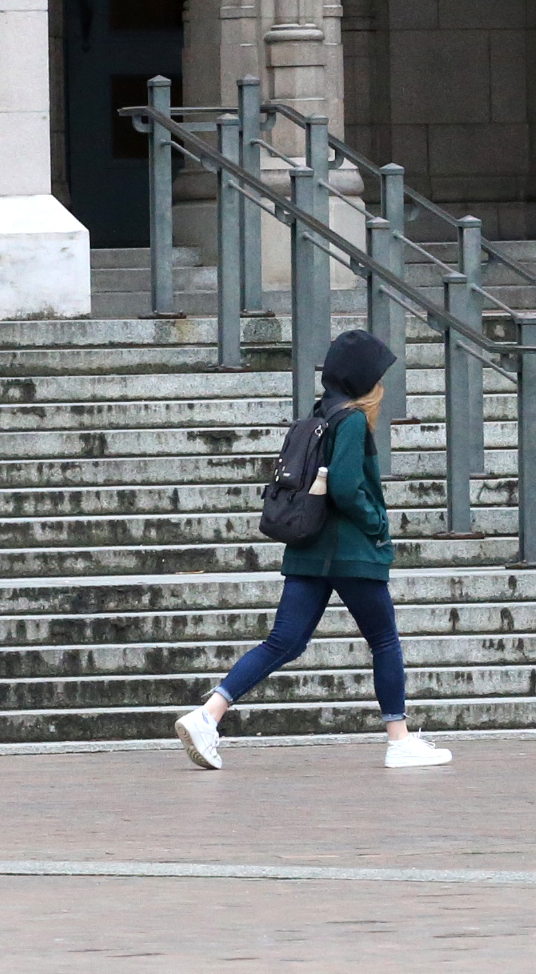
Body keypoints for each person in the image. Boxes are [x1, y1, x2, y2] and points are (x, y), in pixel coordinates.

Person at [174, 328, 454, 771]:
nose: (382, 385)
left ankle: (208, 715)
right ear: (365, 380)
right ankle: (399, 739)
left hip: (307, 547)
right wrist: (377, 522)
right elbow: (344, 486)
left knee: (282, 642)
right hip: (351, 553)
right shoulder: (354, 420)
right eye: (378, 376)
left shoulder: (316, 415)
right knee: (383, 640)